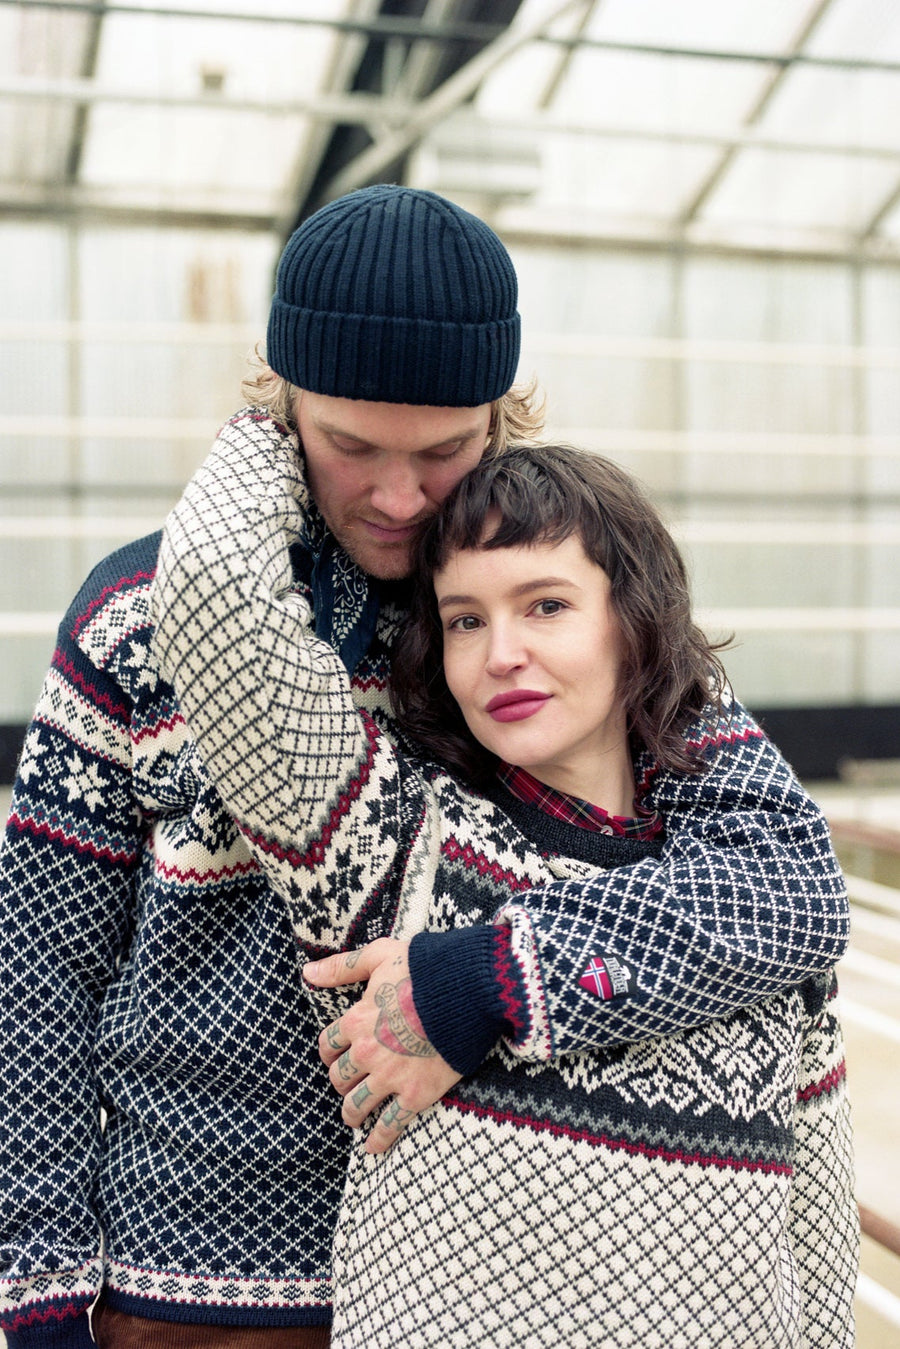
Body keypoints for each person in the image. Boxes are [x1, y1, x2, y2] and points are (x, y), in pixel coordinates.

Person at [0, 185, 849, 1349]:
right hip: (193, 1289)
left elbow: (785, 878)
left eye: (444, 452)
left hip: (480, 1279)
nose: (399, 498)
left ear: (499, 419)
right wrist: (39, 1286)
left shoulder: (556, 631)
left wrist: (491, 974)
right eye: (350, 445)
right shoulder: (132, 619)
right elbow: (38, 973)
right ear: (283, 401)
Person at [151, 438, 858, 1348]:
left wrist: (495, 977)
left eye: (547, 605)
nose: (501, 654)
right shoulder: (397, 843)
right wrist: (290, 412)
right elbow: (211, 591)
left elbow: (818, 1252)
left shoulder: (759, 896)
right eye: (465, 619)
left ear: (633, 619)